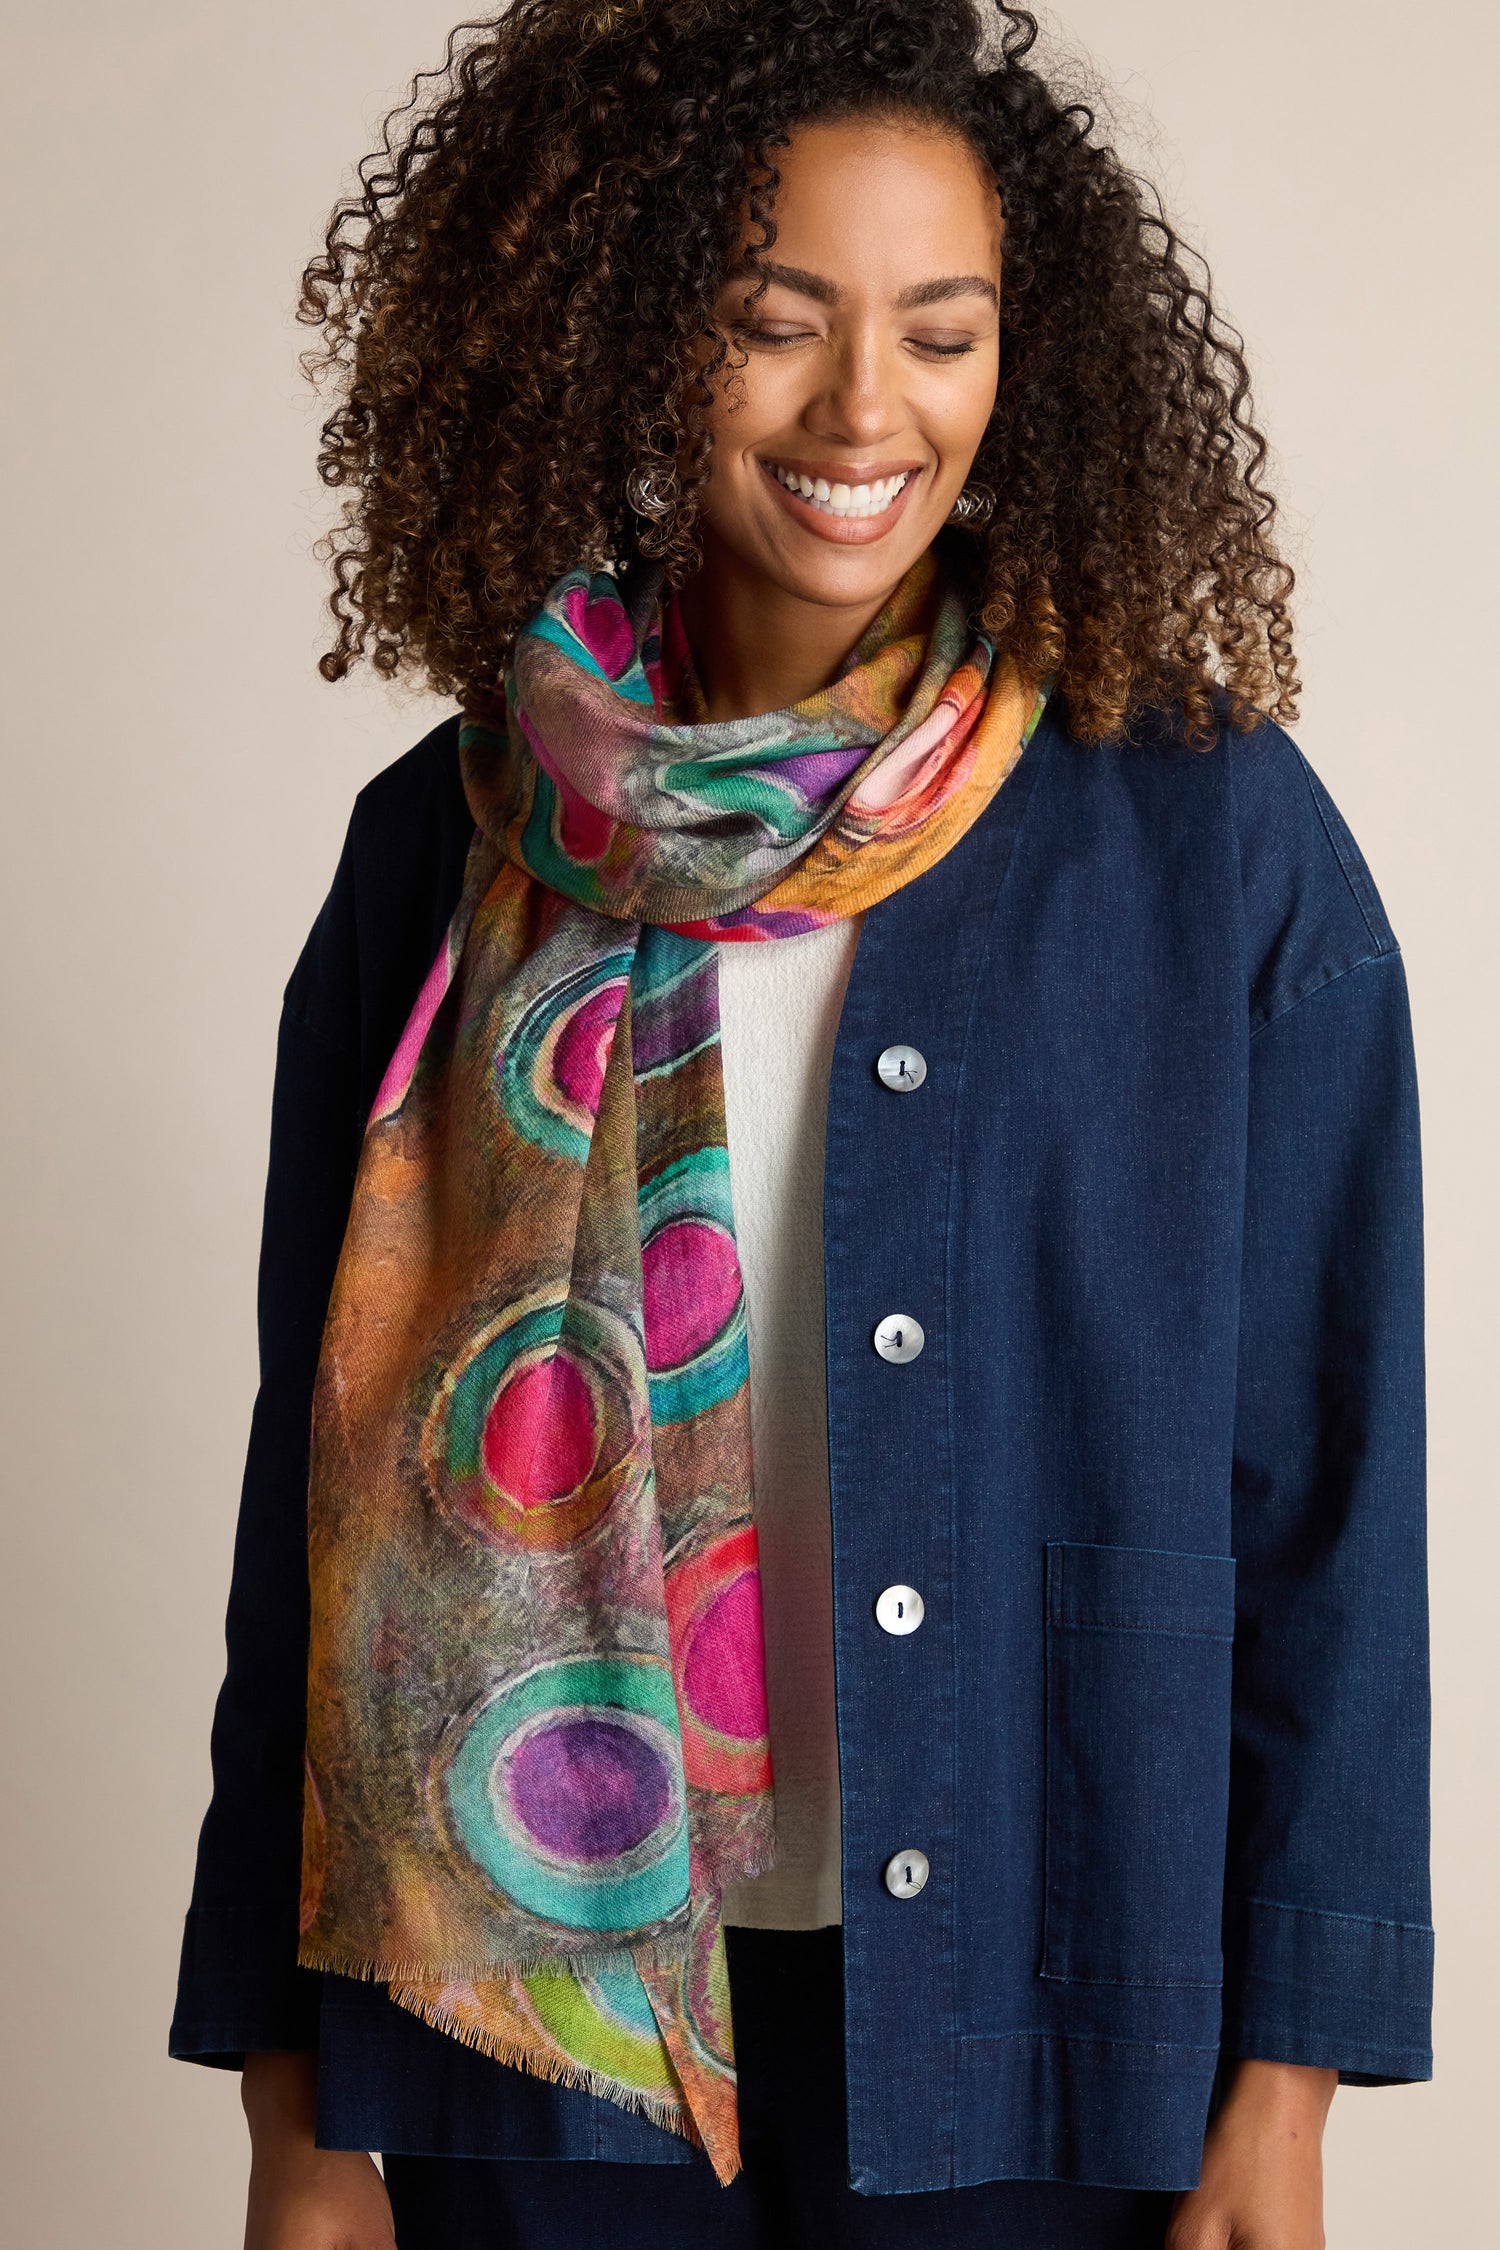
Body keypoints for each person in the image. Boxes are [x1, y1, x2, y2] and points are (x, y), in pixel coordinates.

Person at [168, 4, 1433, 2245]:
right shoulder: (445, 851)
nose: (871, 411)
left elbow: (1329, 1488)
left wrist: (1290, 2081)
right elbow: (314, 1495)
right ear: (641, 336)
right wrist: (290, 2105)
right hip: (523, 2029)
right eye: (778, 326)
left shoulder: (1215, 845)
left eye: (942, 333)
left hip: (1052, 2002)